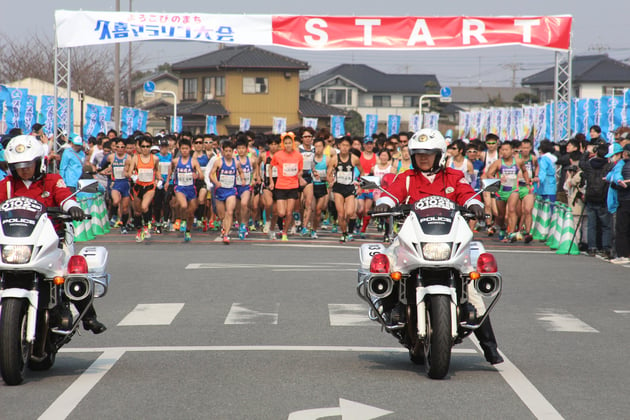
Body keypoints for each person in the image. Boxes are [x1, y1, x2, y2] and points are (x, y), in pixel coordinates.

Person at [374, 128, 502, 365]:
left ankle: (490, 346)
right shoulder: (407, 178)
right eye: (419, 154)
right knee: (387, 267)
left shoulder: (453, 176)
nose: (423, 158)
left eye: (428, 153)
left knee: (472, 287)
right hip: (412, 240)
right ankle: (392, 310)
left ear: (440, 155)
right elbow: (390, 194)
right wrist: (383, 204)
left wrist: (475, 205)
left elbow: (467, 194)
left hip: (447, 240)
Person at [0, 135, 106, 334]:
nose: (23, 169)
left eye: (28, 164)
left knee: (74, 270)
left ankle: (89, 317)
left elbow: (64, 197)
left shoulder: (52, 181)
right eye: (18, 165)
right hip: (16, 242)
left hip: (52, 239)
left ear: (39, 162)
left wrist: (73, 207)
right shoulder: (7, 185)